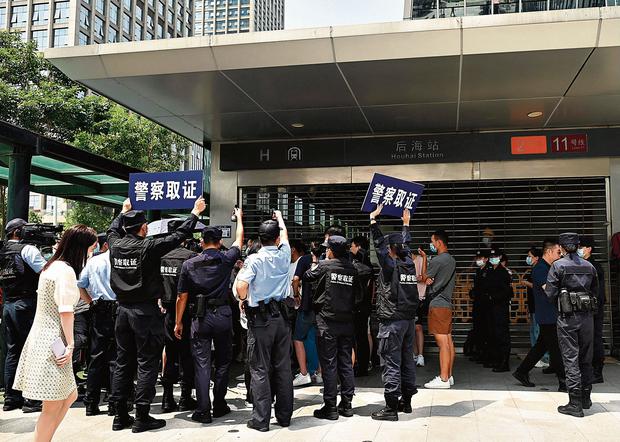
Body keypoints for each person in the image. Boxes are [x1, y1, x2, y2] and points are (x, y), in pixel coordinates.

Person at [108, 197, 205, 433]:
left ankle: (120, 415)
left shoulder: (115, 244)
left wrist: (122, 212)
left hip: (121, 311)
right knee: (147, 362)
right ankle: (141, 414)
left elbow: (111, 229)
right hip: (144, 312)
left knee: (123, 362)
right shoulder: (147, 247)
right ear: (143, 228)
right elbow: (177, 236)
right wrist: (194, 213)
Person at [13, 225, 98, 442]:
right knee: (53, 404)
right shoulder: (65, 271)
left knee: (70, 395)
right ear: (81, 248)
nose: (92, 252)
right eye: (91, 248)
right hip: (54, 340)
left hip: (43, 337)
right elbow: (66, 310)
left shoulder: (51, 266)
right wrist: (70, 345)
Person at [175, 210, 243, 423]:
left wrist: (178, 322)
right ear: (220, 241)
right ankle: (220, 404)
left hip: (200, 317)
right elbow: (239, 240)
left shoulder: (189, 264)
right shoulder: (226, 259)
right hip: (223, 315)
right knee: (223, 362)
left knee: (202, 363)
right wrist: (239, 218)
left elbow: (182, 297)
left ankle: (203, 410)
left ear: (202, 241)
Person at [235, 210, 293, 432]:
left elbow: (241, 286)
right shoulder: (284, 254)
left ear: (259, 239)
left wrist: (243, 300)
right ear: (276, 239)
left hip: (260, 320)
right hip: (282, 318)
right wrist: (279, 218)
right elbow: (285, 236)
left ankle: (260, 420)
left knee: (259, 369)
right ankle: (285, 416)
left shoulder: (254, 259)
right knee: (283, 367)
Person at [368, 205, 418, 421]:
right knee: (407, 361)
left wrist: (373, 221)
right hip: (408, 321)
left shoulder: (392, 266)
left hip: (393, 322)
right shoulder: (409, 263)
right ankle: (406, 403)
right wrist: (406, 224)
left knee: (391, 363)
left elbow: (380, 246)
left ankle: (390, 409)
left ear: (392, 250)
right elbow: (404, 243)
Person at [303, 235, 360, 420]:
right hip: (347, 321)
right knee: (345, 363)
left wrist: (315, 260)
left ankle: (330, 407)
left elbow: (307, 276)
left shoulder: (325, 266)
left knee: (329, 364)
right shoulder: (353, 269)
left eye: (327, 248)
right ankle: (347, 405)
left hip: (326, 322)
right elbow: (359, 296)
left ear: (331, 251)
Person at [545, 233, 599, 417]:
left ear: (560, 247)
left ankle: (575, 403)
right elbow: (595, 292)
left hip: (568, 317)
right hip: (587, 317)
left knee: (570, 358)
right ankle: (586, 398)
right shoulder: (589, 265)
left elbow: (550, 294)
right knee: (586, 356)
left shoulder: (558, 265)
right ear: (578, 246)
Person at [0, 218, 46, 413]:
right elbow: (46, 271)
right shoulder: (28, 250)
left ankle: (11, 398)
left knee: (13, 351)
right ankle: (32, 399)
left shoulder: (2, 251)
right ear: (18, 232)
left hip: (8, 304)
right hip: (26, 304)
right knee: (32, 350)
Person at [513, 240, 566, 391]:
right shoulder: (541, 268)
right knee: (555, 348)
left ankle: (521, 371)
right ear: (549, 252)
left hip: (551, 313)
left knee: (541, 346)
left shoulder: (549, 267)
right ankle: (563, 382)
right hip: (547, 314)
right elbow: (549, 289)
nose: (560, 255)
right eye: (558, 252)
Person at [160, 221, 199, 414]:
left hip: (167, 312)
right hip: (187, 313)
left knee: (170, 353)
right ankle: (185, 397)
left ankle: (167, 398)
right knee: (187, 355)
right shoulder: (191, 257)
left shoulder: (161, 257)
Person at [77, 233, 119, 416]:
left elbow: (81, 284)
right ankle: (113, 402)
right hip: (118, 309)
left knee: (95, 357)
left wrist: (90, 302)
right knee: (116, 358)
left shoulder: (93, 262)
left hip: (99, 308)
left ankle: (91, 402)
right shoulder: (121, 261)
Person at [420, 229, 457, 388]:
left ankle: (443, 379)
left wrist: (424, 259)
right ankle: (448, 376)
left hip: (438, 304)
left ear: (439, 242)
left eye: (433, 241)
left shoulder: (438, 260)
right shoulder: (451, 260)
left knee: (442, 343)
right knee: (448, 341)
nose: (432, 244)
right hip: (447, 304)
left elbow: (423, 278)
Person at [291, 239, 320, 387]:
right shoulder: (330, 260)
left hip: (307, 306)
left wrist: (296, 295)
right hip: (323, 308)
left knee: (298, 338)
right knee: (316, 338)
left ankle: (304, 373)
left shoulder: (305, 259)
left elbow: (295, 279)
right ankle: (320, 372)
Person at [578, 236, 606, 384]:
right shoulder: (584, 264)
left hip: (594, 308)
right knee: (587, 340)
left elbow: (598, 291)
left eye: (581, 247)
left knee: (595, 339)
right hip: (586, 308)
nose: (579, 250)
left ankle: (597, 372)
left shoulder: (594, 266)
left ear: (589, 249)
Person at [481, 249, 512, 373]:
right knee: (492, 334)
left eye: (495, 256)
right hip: (490, 308)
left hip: (500, 308)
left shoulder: (503, 272)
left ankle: (504, 362)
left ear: (499, 257)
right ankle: (496, 359)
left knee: (502, 335)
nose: (493, 258)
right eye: (491, 256)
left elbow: (508, 292)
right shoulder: (489, 271)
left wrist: (493, 296)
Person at [350, 239, 373, 376]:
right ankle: (364, 365)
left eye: (352, 246)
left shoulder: (354, 269)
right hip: (365, 306)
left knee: (354, 338)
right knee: (363, 337)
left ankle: (355, 364)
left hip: (355, 307)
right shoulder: (369, 268)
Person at [469, 250, 489, 363]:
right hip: (477, 304)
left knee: (485, 330)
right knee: (477, 329)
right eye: (477, 258)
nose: (478, 260)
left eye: (480, 258)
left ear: (486, 259)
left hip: (485, 305)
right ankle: (479, 352)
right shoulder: (478, 271)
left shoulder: (489, 271)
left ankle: (485, 354)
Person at [411, 248, 428, 367]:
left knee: (418, 327)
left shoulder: (421, 259)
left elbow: (423, 277)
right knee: (410, 327)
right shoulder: (403, 261)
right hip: (407, 298)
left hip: (419, 297)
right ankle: (414, 353)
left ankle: (420, 355)